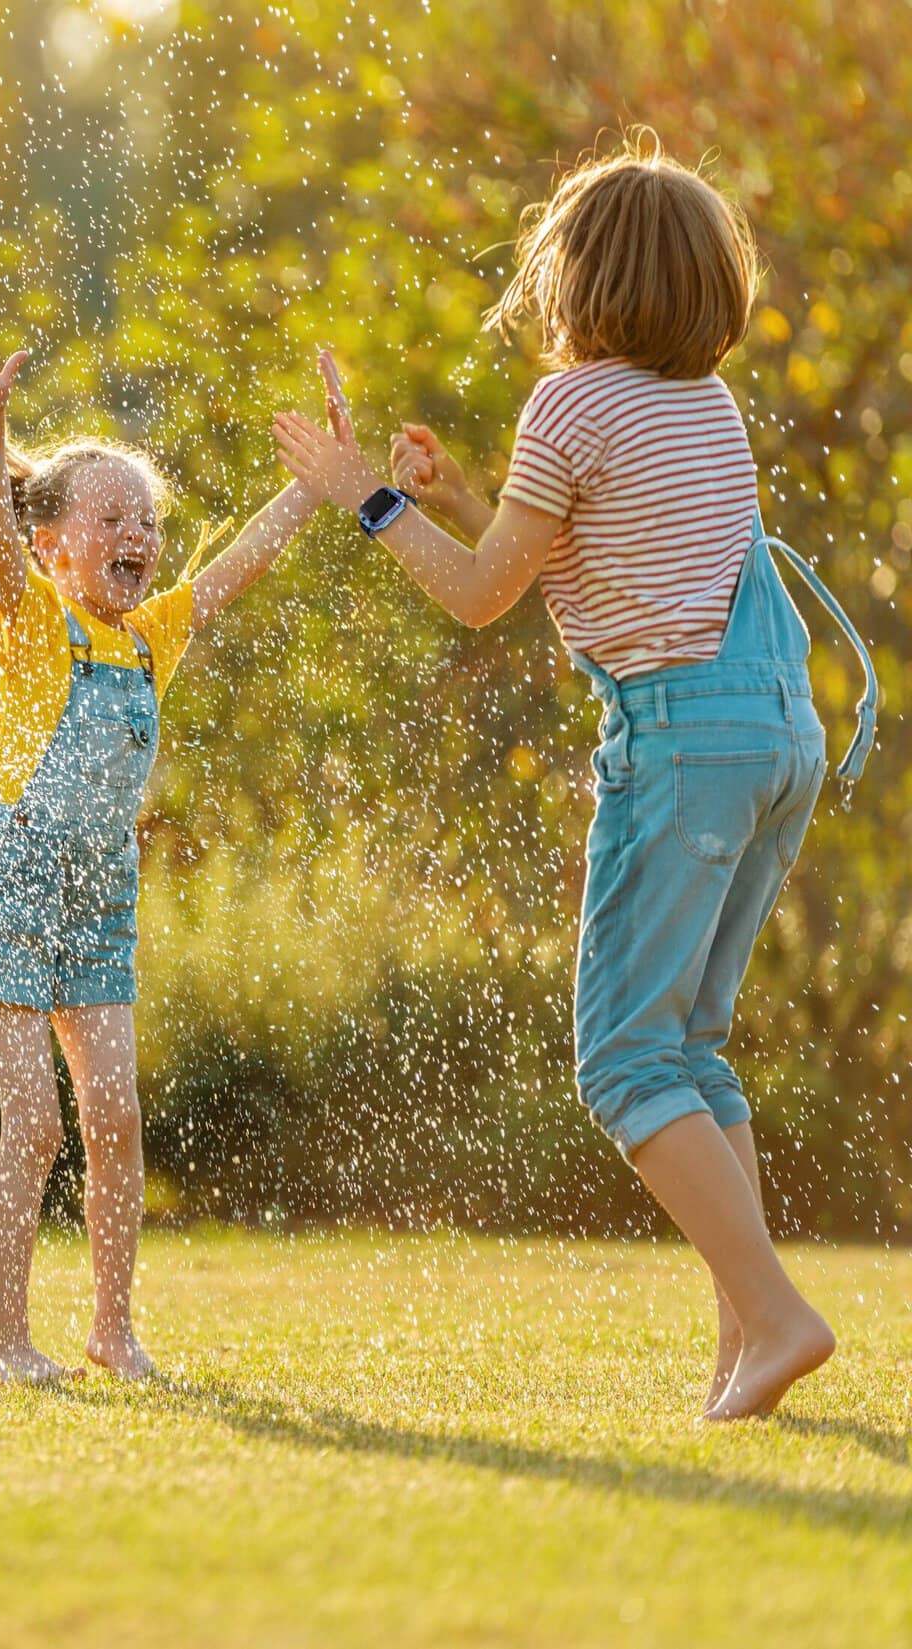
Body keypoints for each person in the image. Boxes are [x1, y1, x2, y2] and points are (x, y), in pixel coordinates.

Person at [271, 132, 876, 1420]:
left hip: (680, 744)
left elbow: (487, 594)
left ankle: (776, 1314)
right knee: (691, 1044)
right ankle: (744, 1344)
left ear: (580, 275)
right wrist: (463, 489)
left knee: (621, 1060)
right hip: (776, 732)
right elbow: (580, 545)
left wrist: (367, 499)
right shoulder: (697, 406)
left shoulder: (573, 401)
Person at [0, 311, 334, 1382]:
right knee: (38, 1124)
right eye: (113, 515)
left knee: (114, 1116)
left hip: (100, 904)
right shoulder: (31, 621)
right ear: (57, 540)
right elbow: (0, 545)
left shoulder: (151, 635)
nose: (138, 533)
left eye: (147, 519)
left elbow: (238, 564)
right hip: (11, 897)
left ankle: (113, 1329)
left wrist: (318, 484)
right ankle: (7, 1341)